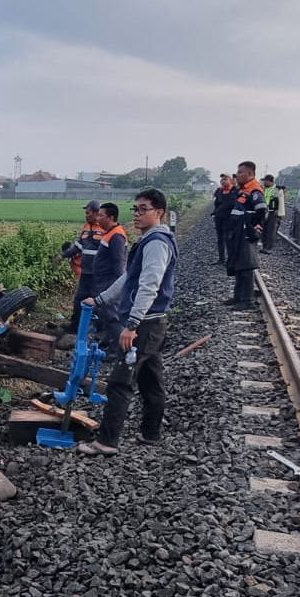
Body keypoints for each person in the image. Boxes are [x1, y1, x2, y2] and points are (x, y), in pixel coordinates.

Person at [76, 188, 176, 454]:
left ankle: (106, 442)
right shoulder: (150, 240)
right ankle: (150, 433)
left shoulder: (155, 243)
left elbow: (149, 285)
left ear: (159, 213)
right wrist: (100, 300)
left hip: (144, 324)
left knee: (121, 382)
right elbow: (128, 279)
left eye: (143, 209)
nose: (137, 214)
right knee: (151, 379)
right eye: (135, 209)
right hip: (154, 323)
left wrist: (131, 325)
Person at [224, 162, 269, 308]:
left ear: (250, 174)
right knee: (239, 266)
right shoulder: (242, 189)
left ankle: (247, 300)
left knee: (246, 267)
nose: (237, 175)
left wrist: (253, 228)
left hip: (245, 233)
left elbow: (261, 211)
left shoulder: (254, 190)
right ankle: (238, 297)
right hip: (238, 232)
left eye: (240, 172)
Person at [61, 201, 103, 330]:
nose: (86, 215)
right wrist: (63, 255)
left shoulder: (105, 228)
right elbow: (78, 246)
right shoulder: (86, 227)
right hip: (86, 272)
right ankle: (74, 327)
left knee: (97, 302)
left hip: (99, 273)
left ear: (97, 213)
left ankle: (97, 329)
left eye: (88, 213)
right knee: (79, 299)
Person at [81, 202, 127, 312]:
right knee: (103, 313)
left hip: (109, 283)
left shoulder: (116, 236)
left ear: (111, 218)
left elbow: (119, 263)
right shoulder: (109, 233)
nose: (98, 218)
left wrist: (115, 289)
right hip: (102, 281)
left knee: (111, 314)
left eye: (101, 215)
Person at [211, 175, 235, 264]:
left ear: (230, 180)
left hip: (229, 218)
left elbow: (233, 204)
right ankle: (221, 259)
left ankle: (230, 259)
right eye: (222, 179)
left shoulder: (235, 191)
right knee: (220, 239)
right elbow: (216, 203)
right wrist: (214, 213)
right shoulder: (219, 191)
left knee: (228, 238)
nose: (223, 181)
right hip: (219, 218)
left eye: (225, 179)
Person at [260, 177, 284, 253]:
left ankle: (269, 248)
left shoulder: (278, 190)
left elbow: (281, 201)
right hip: (265, 211)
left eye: (265, 182)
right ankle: (264, 246)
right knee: (264, 230)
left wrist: (279, 212)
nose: (264, 183)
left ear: (270, 182)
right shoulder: (266, 189)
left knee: (271, 230)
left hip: (273, 212)